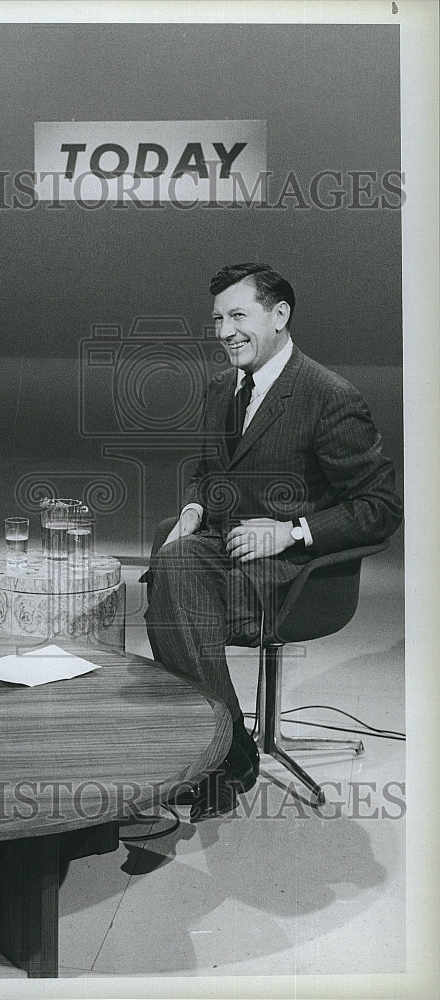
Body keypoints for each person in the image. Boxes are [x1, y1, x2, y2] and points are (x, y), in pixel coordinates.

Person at [144, 262, 402, 822]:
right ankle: (231, 748)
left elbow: (382, 508)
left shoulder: (329, 396)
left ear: (280, 315)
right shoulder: (222, 389)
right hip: (223, 554)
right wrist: (192, 508)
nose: (223, 332)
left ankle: (218, 754)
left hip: (293, 574)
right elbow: (212, 474)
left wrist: (291, 531)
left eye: (238, 316)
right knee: (174, 559)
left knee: (174, 583)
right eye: (217, 319)